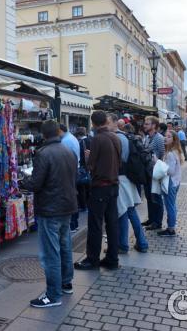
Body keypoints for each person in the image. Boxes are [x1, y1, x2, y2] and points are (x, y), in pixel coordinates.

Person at [22, 120, 78, 308]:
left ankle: (53, 295)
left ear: (43, 135)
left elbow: (36, 183)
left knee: (51, 252)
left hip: (50, 208)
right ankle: (66, 283)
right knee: (65, 246)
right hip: (67, 206)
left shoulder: (43, 153)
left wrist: (23, 181)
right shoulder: (68, 151)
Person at [74, 111, 121, 271]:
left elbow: (91, 166)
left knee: (95, 224)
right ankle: (112, 258)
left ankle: (92, 259)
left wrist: (88, 157)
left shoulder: (97, 139)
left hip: (101, 186)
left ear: (93, 123)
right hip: (114, 185)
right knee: (112, 224)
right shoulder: (115, 137)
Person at [115, 118, 148, 253]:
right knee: (131, 211)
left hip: (122, 179)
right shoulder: (130, 138)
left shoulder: (119, 138)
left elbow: (120, 162)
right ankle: (142, 242)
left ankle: (123, 245)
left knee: (123, 211)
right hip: (131, 179)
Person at [141, 116, 165, 231]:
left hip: (155, 173)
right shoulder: (146, 137)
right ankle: (151, 219)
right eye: (145, 123)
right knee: (149, 197)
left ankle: (157, 222)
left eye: (147, 124)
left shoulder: (159, 138)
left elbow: (162, 153)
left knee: (156, 198)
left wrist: (156, 164)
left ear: (154, 126)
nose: (144, 125)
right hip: (146, 172)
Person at [157, 130, 183, 236]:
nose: (165, 138)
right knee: (172, 205)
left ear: (174, 140)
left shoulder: (171, 154)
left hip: (170, 182)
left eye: (168, 136)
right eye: (165, 136)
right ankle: (171, 227)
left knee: (170, 205)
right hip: (175, 182)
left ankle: (171, 228)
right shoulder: (175, 151)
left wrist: (158, 164)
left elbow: (171, 171)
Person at [59, 124, 81, 232]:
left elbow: (63, 158)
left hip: (69, 171)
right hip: (74, 169)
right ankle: (75, 223)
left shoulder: (65, 141)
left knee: (70, 197)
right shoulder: (71, 138)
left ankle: (72, 224)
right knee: (73, 195)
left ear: (59, 131)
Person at [74, 127, 91, 213]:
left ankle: (83, 206)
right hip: (90, 167)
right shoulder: (91, 140)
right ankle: (88, 204)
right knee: (88, 186)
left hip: (83, 167)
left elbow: (79, 156)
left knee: (81, 187)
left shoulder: (80, 143)